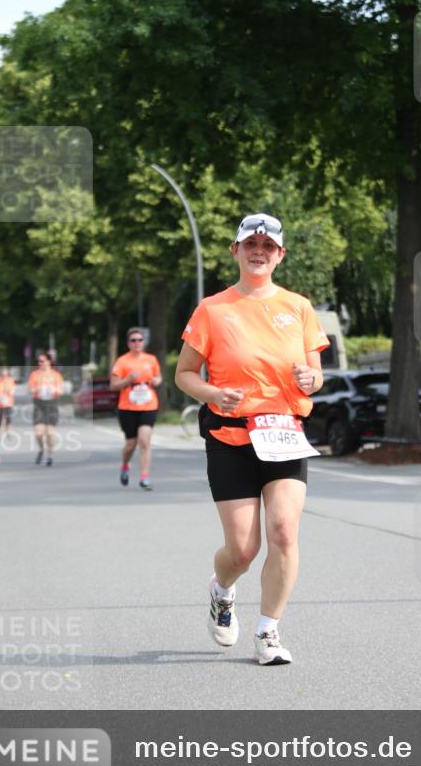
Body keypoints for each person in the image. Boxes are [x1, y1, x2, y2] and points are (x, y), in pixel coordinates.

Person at [175, 213, 329, 665]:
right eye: (251, 244)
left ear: (280, 255)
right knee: (243, 549)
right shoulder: (212, 309)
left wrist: (311, 378)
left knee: (283, 532)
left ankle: (268, 632)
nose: (259, 250)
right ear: (235, 251)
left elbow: (314, 376)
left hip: (283, 432)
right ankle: (222, 591)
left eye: (268, 245)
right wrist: (212, 392)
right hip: (231, 435)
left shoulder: (298, 308)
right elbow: (184, 374)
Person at [110, 329, 162, 491]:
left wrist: (156, 381)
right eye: (133, 340)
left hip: (148, 405)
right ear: (128, 343)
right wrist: (128, 379)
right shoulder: (122, 361)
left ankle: (144, 477)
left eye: (140, 340)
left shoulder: (151, 359)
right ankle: (125, 465)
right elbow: (113, 385)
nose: (137, 343)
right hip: (127, 407)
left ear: (143, 342)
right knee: (130, 445)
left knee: (144, 441)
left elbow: (159, 377)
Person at [28, 352, 64, 466]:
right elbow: (29, 390)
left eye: (42, 361)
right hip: (39, 404)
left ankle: (50, 456)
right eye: (39, 361)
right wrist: (37, 389)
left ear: (49, 362)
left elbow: (61, 391)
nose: (40, 363)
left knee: (49, 433)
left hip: (51, 404)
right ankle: (41, 449)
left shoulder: (56, 375)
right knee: (38, 433)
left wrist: (54, 390)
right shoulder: (34, 374)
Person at [0, 366, 16, 435]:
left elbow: (12, 390)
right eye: (2, 374)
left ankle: (8, 429)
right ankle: (0, 428)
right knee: (0, 416)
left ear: (7, 374)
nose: (3, 375)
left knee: (8, 417)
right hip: (0, 402)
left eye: (5, 374)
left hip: (8, 402)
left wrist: (8, 391)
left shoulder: (10, 380)